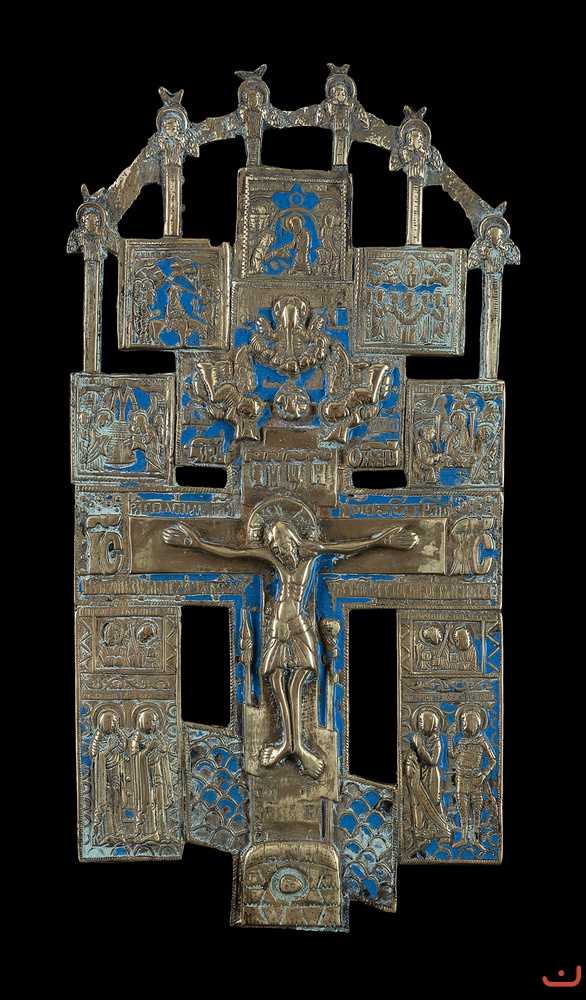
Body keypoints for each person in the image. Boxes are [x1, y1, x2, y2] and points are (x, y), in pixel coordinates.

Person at [162, 514, 418, 779]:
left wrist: (382, 540)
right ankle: (290, 745)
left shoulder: (312, 554)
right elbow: (234, 553)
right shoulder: (273, 560)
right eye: (273, 546)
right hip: (278, 627)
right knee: (275, 679)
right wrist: (197, 543)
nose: (277, 550)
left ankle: (295, 746)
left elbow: (348, 546)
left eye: (279, 544)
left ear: (291, 539)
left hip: (298, 626)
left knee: (298, 680)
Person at [449, 706, 497, 849]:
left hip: (476, 779)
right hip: (461, 779)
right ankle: (464, 838)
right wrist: (450, 738)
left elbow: (493, 760)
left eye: (465, 722)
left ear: (474, 722)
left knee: (476, 811)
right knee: (463, 811)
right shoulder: (461, 741)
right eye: (462, 722)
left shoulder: (482, 741)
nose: (463, 725)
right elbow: (452, 755)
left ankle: (476, 840)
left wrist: (483, 776)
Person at [404, 708, 451, 846]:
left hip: (432, 775)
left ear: (432, 724)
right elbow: (411, 755)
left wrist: (419, 746)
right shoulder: (417, 738)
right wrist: (411, 761)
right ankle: (421, 832)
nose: (420, 724)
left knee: (434, 802)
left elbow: (433, 761)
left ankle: (441, 830)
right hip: (419, 774)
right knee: (418, 802)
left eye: (423, 721)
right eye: (418, 721)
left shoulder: (436, 741)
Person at [130, 708, 173, 842]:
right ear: (145, 722)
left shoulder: (157, 735)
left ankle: (162, 832)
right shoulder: (137, 737)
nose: (155, 724)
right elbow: (135, 757)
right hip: (144, 777)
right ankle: (148, 833)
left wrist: (161, 745)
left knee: (160, 804)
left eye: (156, 722)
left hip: (158, 774)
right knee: (149, 804)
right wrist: (150, 748)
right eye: (152, 721)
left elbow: (164, 750)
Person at [90, 709, 127, 844]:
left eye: (115, 723)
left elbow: (123, 746)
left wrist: (118, 731)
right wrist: (108, 749)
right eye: (112, 723)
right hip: (104, 779)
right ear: (105, 722)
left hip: (115, 776)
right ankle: (107, 834)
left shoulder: (114, 736)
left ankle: (119, 833)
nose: (113, 725)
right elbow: (95, 757)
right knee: (107, 806)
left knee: (117, 805)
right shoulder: (98, 736)